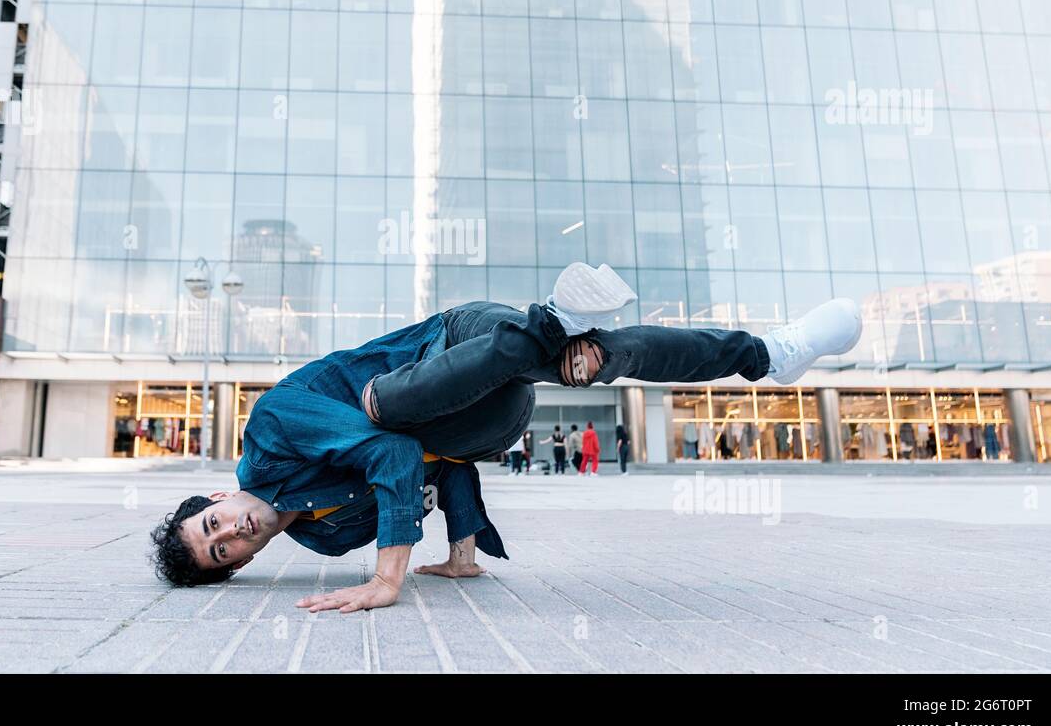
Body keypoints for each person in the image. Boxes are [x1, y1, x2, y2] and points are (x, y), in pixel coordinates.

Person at [149, 261, 862, 612]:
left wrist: (389, 576)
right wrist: (461, 551)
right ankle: (550, 323)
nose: (234, 530)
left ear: (216, 495)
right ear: (239, 564)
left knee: (397, 404)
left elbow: (393, 454)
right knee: (442, 409)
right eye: (224, 550)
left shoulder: (271, 430)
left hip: (459, 338)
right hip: (486, 421)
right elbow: (437, 471)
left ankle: (768, 354)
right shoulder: (329, 538)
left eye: (215, 521)